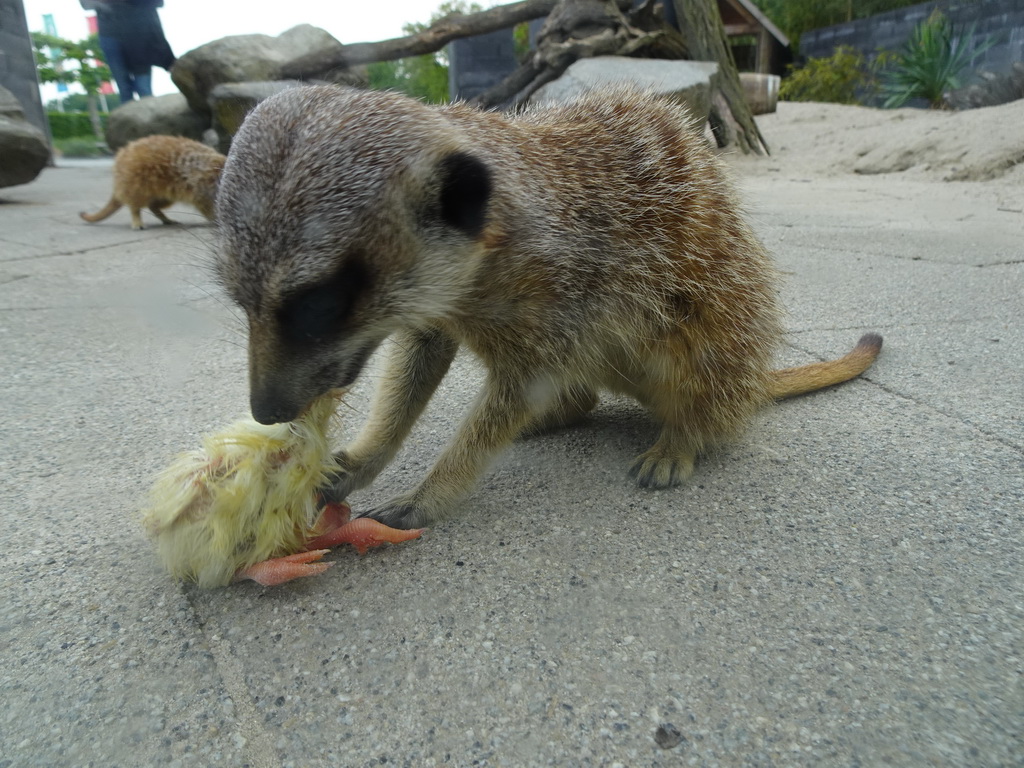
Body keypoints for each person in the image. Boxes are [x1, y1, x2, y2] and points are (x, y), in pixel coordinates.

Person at [81, 0, 175, 104]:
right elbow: (87, 4)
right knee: (125, 88)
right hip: (111, 33)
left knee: (143, 88)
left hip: (139, 36)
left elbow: (157, 3)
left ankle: (151, 117)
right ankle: (131, 117)